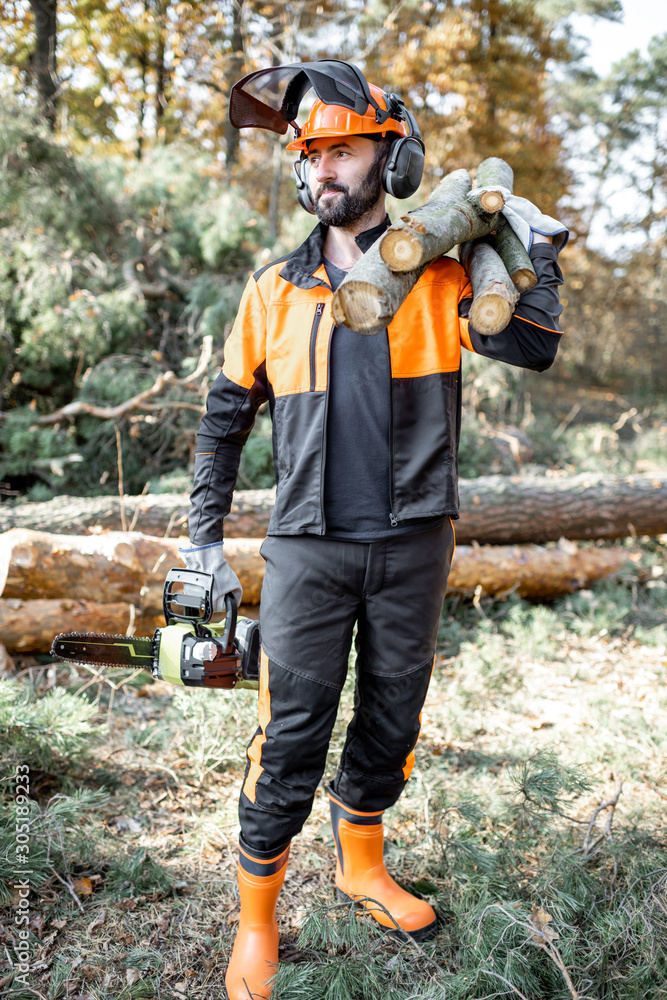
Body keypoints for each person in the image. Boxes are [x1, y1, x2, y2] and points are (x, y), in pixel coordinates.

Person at [179, 61, 567, 1000]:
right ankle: (257, 923)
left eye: (343, 150)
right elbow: (224, 418)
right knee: (288, 738)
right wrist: (203, 541)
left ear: (393, 160)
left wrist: (531, 252)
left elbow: (535, 346)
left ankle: (360, 865)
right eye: (310, 155)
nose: (323, 171)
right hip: (307, 547)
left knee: (392, 721)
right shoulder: (274, 289)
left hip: (411, 541)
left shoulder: (438, 271)